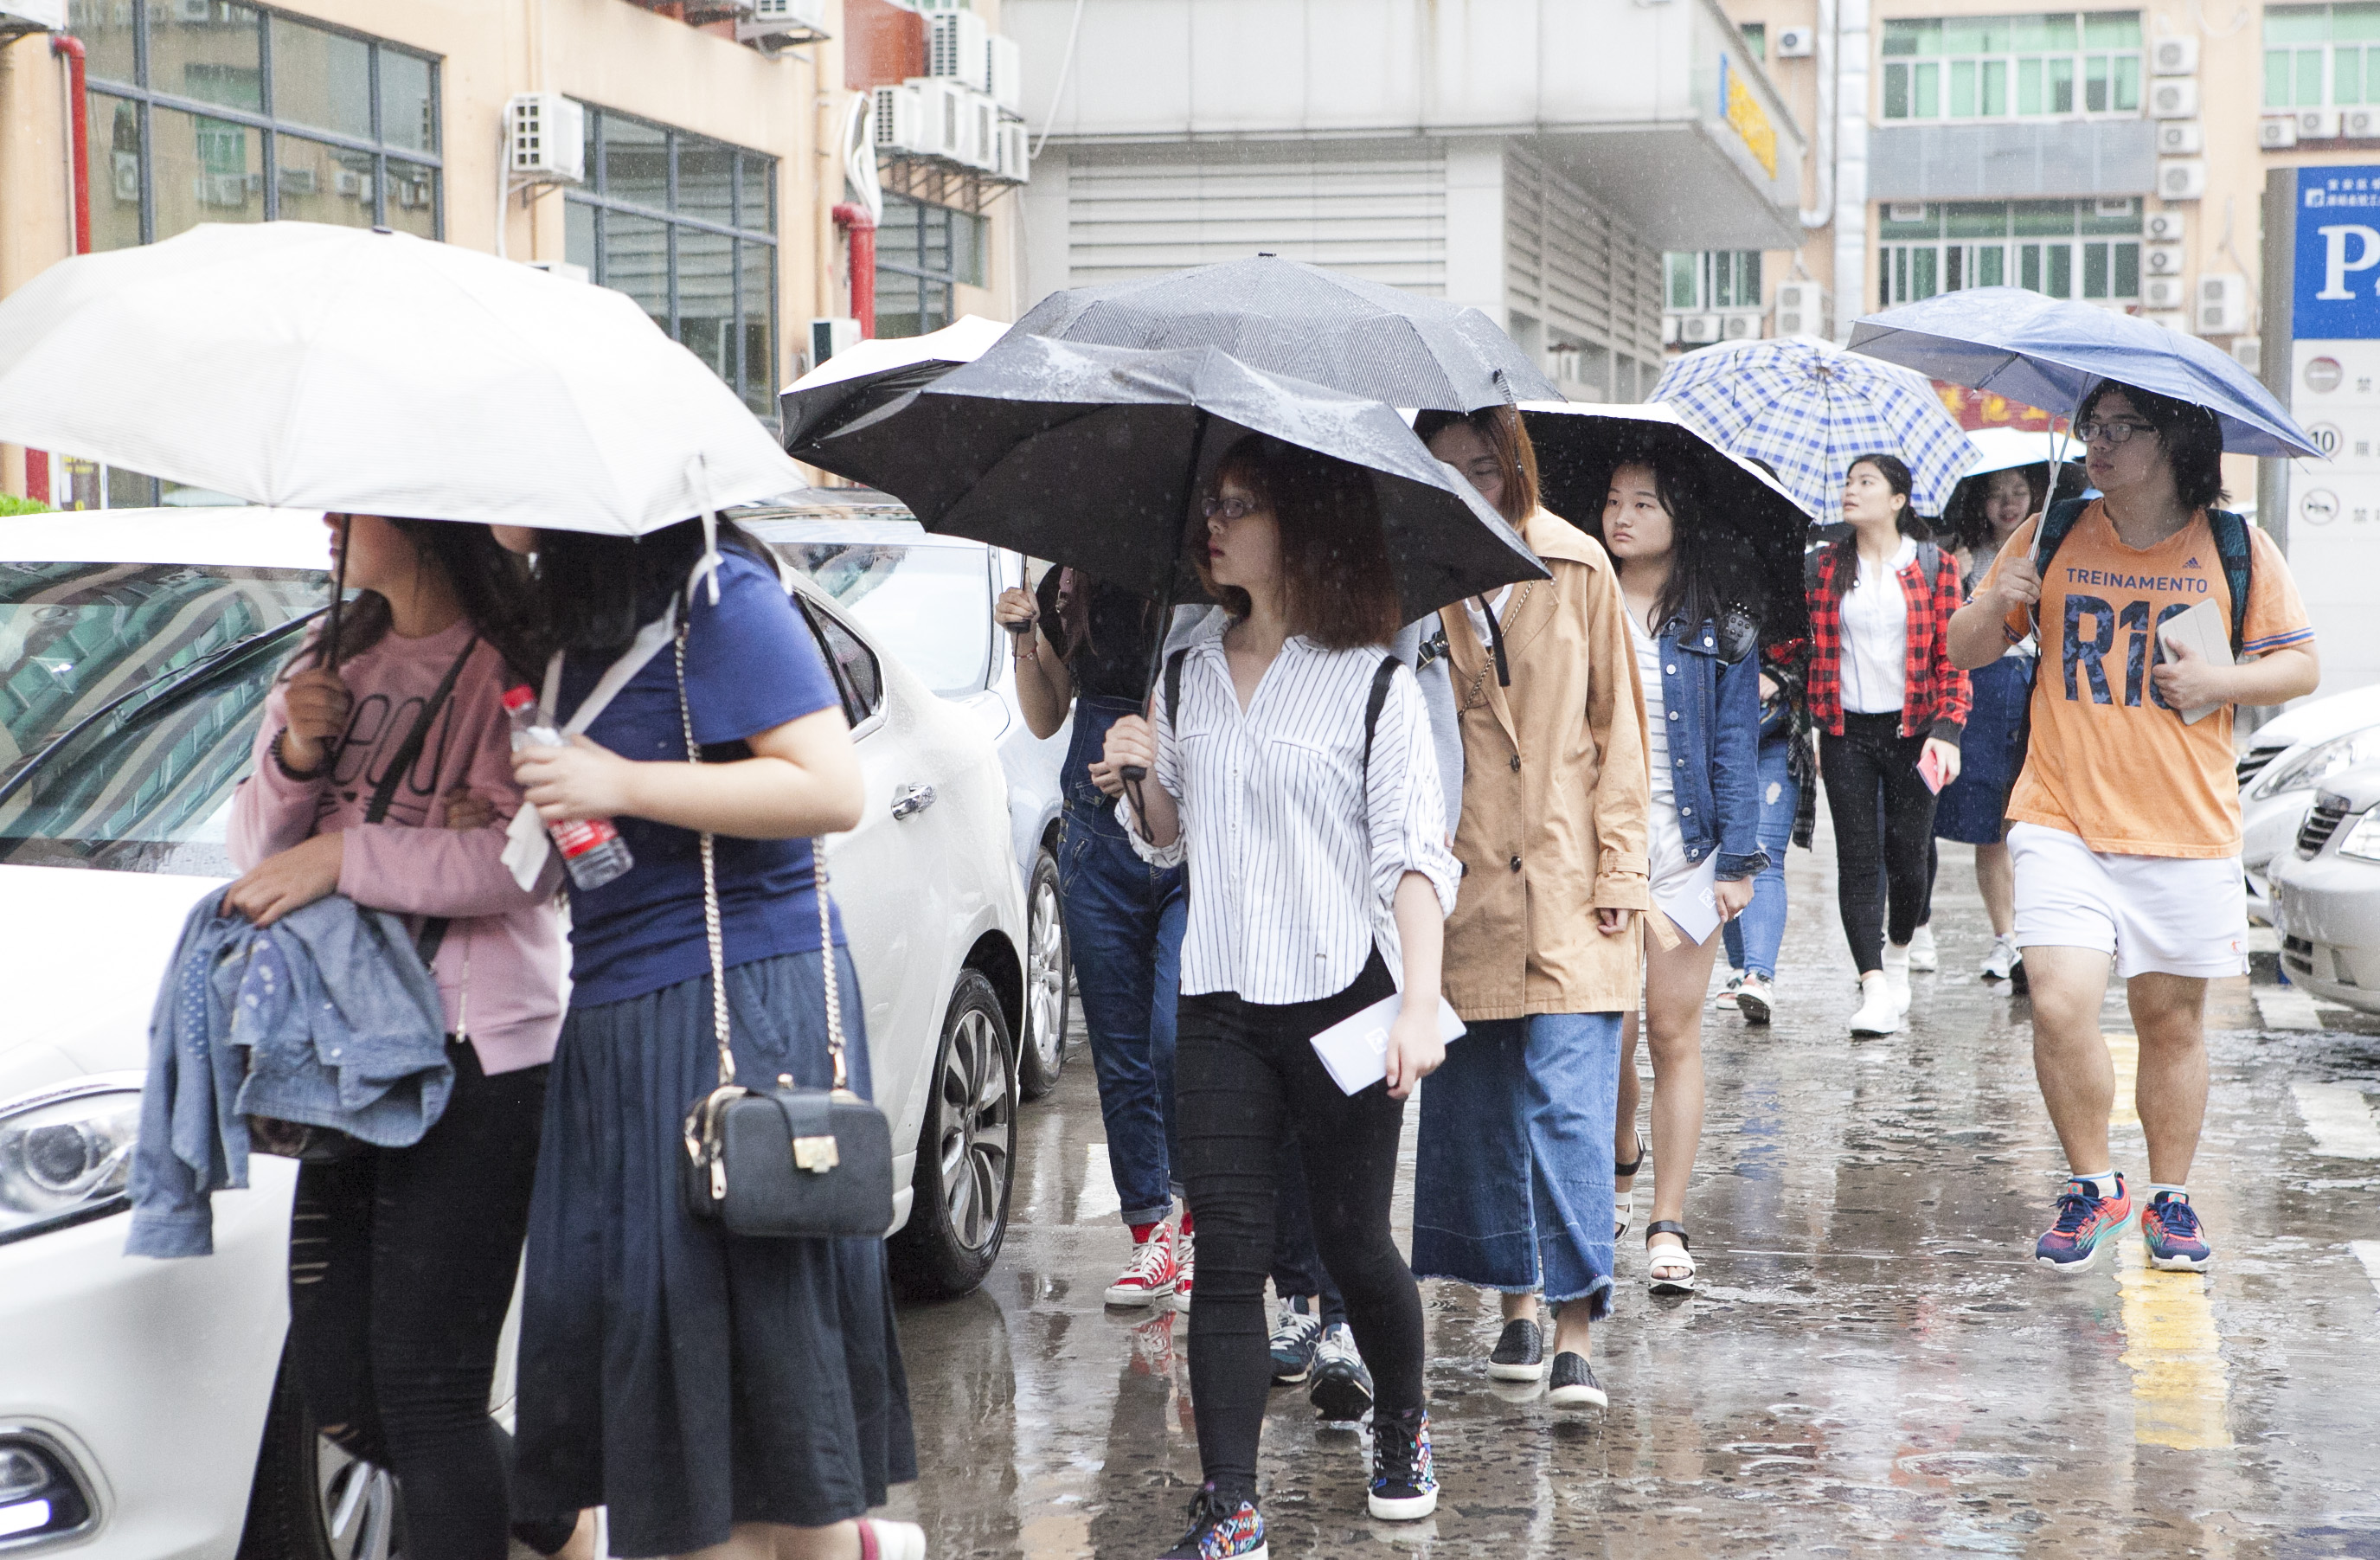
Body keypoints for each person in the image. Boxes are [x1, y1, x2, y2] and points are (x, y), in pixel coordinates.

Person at [504, 518, 922, 1560]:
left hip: (736, 1016)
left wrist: (620, 785)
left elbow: (829, 786)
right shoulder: (567, 623)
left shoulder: (720, 594)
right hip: (619, 1019)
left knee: (756, 1401)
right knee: (683, 1411)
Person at [1100, 433, 1459, 1557]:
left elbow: (1413, 856)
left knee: (1353, 1238)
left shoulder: (1373, 682)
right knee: (1227, 1260)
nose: (1214, 522)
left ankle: (1400, 1424)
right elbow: (1169, 841)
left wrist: (1418, 1002)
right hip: (1220, 1002)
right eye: (1211, 503)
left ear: (1301, 525)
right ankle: (1230, 1503)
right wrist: (1139, 776)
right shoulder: (1185, 671)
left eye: (1240, 504)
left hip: (1347, 999)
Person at [223, 513, 567, 1560]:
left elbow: (521, 870)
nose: (330, 521)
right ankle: (558, 1520)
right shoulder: (325, 661)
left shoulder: (519, 671)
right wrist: (297, 750)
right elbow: (252, 856)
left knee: (429, 1391)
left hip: (476, 1053)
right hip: (338, 1057)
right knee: (341, 1392)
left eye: (356, 499)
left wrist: (344, 857)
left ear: (426, 517)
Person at [1949, 382, 2318, 1275]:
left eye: (2122, 430)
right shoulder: (2052, 532)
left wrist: (2219, 686)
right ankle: (2092, 1184)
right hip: (2061, 811)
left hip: (2181, 823)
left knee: (2169, 1021)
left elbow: (2300, 666)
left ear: (2174, 440)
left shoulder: (2236, 548)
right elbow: (1964, 650)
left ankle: (2171, 1199)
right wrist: (2000, 595)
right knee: (2062, 1000)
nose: (2098, 445)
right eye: (2091, 429)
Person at [1407, 408, 1650, 1409]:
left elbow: (1619, 731)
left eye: (1487, 466)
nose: (1473, 484)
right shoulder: (1417, 579)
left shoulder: (1578, 566)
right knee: (1483, 1102)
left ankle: (1574, 1325)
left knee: (1569, 1101)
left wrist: (1621, 874)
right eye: (1446, 469)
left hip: (1568, 876)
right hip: (1465, 886)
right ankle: (1514, 1303)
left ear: (1516, 467)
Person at [996, 569, 1194, 1311]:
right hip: (1092, 833)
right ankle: (1151, 1236)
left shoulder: (1203, 567)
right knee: (1118, 1047)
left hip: (1190, 833)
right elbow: (1048, 718)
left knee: (1177, 1037)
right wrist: (1025, 638)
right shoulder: (1068, 579)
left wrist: (1154, 749)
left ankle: (1198, 1213)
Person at [1594, 457, 1767, 1296]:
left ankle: (1667, 1220)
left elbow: (1737, 745)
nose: (1621, 517)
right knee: (1609, 1033)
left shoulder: (1720, 625)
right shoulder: (1578, 603)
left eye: (1643, 503)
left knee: (1672, 1031)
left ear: (1678, 518)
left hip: (1689, 852)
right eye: (1613, 502)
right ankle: (1619, 1152)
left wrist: (1740, 860)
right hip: (1600, 852)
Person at [1806, 454, 1970, 1037]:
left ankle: (1899, 952)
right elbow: (1803, 645)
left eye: (1865, 482)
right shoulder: (1824, 566)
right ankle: (1873, 983)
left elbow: (1952, 656)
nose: (1850, 490)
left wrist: (1948, 729)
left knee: (1907, 855)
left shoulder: (1933, 566)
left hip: (1916, 734)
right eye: (1848, 482)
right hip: (1846, 732)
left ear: (1897, 499)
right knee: (1857, 860)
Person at [1931, 461, 2055, 988]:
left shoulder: (2051, 551)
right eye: (1998, 494)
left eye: (2019, 492)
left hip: (2031, 689)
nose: (2009, 503)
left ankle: (2035, 937)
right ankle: (2005, 937)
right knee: (1989, 825)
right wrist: (1956, 577)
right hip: (1980, 689)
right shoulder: (1965, 558)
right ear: (1980, 504)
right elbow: (1953, 634)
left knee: (2026, 820)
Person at [1718, 641, 1812, 1026]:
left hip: (1777, 729)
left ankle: (1759, 974)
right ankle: (1742, 969)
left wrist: (1779, 676)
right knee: (1724, 850)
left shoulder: (1798, 582)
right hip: (1716, 728)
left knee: (1765, 855)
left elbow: (1825, 642)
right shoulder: (1699, 585)